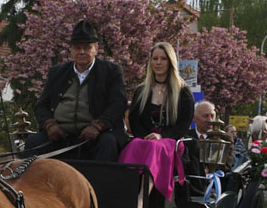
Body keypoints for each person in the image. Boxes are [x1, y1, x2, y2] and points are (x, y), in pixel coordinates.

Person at [26, 19, 127, 161]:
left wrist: (98, 126)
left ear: (96, 49)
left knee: (108, 143)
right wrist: (50, 124)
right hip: (60, 136)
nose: (82, 52)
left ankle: (101, 183)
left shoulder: (111, 72)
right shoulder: (57, 73)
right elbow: (41, 105)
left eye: (87, 47)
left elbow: (118, 104)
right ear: (71, 50)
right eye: (77, 48)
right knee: (33, 143)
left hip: (96, 137)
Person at [127, 42, 194, 141]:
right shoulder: (140, 91)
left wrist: (161, 136)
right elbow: (134, 121)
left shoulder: (183, 92)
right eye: (155, 59)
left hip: (171, 144)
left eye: (163, 59)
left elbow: (183, 125)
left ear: (171, 61)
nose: (158, 62)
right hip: (144, 142)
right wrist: (147, 138)